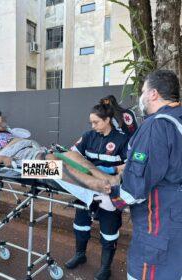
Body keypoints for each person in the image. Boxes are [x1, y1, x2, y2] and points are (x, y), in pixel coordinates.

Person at [96, 70, 182, 280]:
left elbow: (138, 182)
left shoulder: (157, 125)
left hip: (158, 227)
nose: (141, 96)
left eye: (143, 91)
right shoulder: (177, 120)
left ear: (153, 94)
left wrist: (114, 200)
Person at [0, 113, 119, 194]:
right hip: (18, 161)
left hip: (32, 150)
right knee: (51, 164)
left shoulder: (8, 133)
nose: (3, 124)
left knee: (73, 156)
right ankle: (94, 184)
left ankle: (110, 179)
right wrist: (2, 158)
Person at [64, 102, 129, 280]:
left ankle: (105, 267)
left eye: (96, 122)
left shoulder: (122, 139)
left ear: (107, 119)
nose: (93, 126)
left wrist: (112, 170)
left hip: (109, 190)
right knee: (80, 224)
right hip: (86, 188)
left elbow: (131, 164)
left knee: (109, 231)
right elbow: (71, 154)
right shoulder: (88, 136)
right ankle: (80, 254)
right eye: (91, 123)